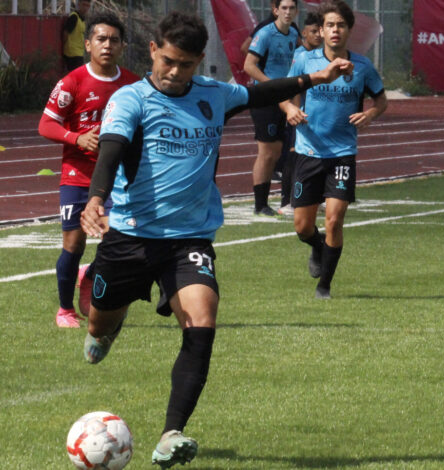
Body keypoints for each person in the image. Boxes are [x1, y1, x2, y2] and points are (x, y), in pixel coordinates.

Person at [79, 11, 351, 468]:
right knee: (98, 325)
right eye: (167, 60)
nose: (173, 71)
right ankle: (106, 326)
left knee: (203, 321)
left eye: (185, 64)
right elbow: (110, 152)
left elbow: (260, 92)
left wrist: (314, 76)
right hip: (128, 236)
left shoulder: (214, 94)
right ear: (153, 51)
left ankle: (171, 433)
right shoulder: (130, 100)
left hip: (190, 237)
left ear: (199, 61)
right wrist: (96, 198)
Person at [280, 0, 387, 299]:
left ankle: (324, 285)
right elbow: (283, 94)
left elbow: (381, 101)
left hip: (342, 154)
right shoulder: (305, 61)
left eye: (340, 24)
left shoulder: (363, 67)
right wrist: (289, 108)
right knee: (303, 227)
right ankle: (317, 246)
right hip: (307, 152)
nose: (335, 30)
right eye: (330, 25)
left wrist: (370, 114)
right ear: (321, 31)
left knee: (334, 219)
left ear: (349, 30)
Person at [40, 11, 139, 328]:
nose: (107, 45)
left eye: (113, 40)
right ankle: (65, 310)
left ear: (122, 45)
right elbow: (45, 124)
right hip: (77, 177)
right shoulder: (72, 82)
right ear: (87, 44)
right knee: (74, 244)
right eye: (101, 39)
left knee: (122, 236)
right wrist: (76, 137)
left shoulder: (134, 84)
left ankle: (92, 272)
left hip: (117, 179)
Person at [243, 0, 300, 216]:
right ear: (275, 10)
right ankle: (260, 204)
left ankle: (271, 201)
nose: (287, 12)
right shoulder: (265, 33)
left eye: (291, 8)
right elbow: (249, 65)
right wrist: (272, 86)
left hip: (283, 98)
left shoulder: (294, 34)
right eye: (283, 8)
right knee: (266, 152)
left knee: (278, 151)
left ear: (296, 11)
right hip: (265, 98)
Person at [278, 11, 324, 217]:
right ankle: (286, 200)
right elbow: (294, 88)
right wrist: (297, 113)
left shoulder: (320, 56)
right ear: (304, 32)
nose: (318, 36)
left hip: (314, 116)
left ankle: (316, 197)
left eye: (320, 31)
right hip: (299, 115)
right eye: (313, 31)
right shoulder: (301, 56)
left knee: (315, 156)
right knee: (294, 155)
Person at [62, 0, 92, 72]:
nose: (85, 8)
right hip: (72, 53)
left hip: (79, 52)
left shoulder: (82, 19)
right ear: (78, 5)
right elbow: (65, 33)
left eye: (87, 6)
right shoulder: (74, 17)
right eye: (84, 5)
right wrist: (64, 47)